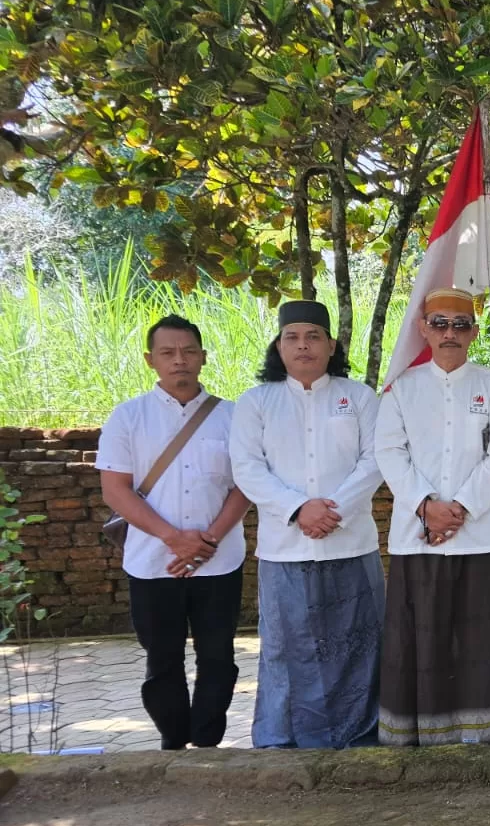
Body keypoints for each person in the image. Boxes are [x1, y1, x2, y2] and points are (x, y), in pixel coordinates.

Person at [229, 300, 384, 749]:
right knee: (285, 647)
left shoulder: (358, 397)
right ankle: (282, 738)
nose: (303, 346)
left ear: (331, 345)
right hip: (285, 548)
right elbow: (247, 467)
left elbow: (375, 460)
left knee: (358, 645)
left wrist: (332, 511)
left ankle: (360, 735)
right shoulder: (257, 402)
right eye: (292, 337)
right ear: (278, 347)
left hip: (350, 542)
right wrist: (299, 509)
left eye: (313, 336)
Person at [96, 315, 251, 750]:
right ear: (151, 360)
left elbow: (245, 486)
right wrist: (173, 537)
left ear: (203, 356)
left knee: (218, 657)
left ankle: (207, 743)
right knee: (162, 659)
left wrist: (210, 539)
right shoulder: (128, 418)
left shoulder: (233, 417)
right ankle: (172, 740)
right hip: (153, 562)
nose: (179, 360)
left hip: (218, 561)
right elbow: (115, 489)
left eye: (188, 351)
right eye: (168, 352)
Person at [375, 289, 490, 746]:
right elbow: (389, 452)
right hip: (417, 536)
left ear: (475, 332)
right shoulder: (403, 387)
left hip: (482, 535)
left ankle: (485, 733)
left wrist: (461, 509)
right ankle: (421, 733)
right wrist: (426, 505)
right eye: (439, 323)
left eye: (460, 324)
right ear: (423, 329)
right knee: (422, 638)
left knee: (481, 641)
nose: (450, 333)